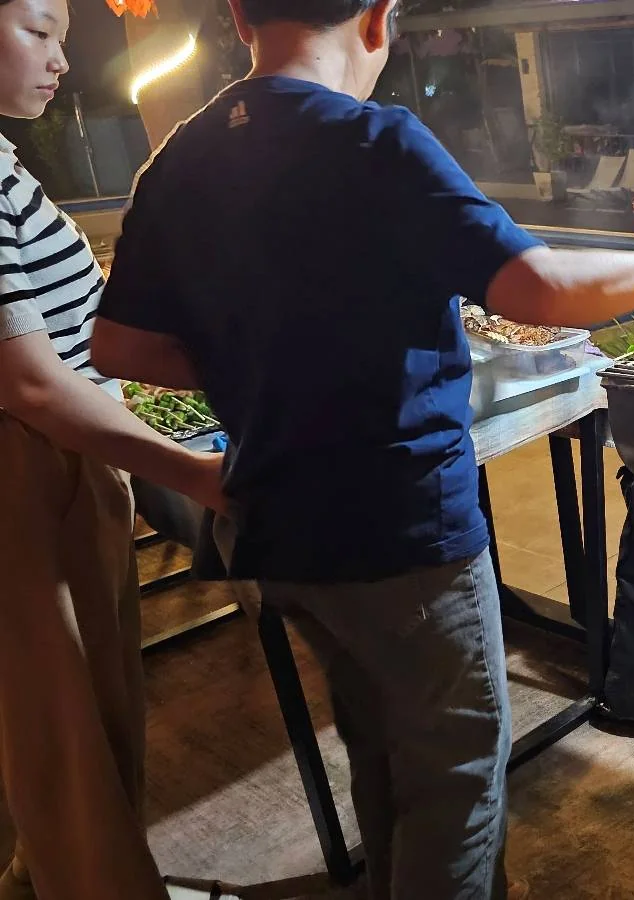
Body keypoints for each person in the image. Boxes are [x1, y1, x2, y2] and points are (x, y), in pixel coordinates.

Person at [89, 0, 634, 893]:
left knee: (378, 757)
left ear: (238, 13)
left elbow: (121, 347)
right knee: (452, 785)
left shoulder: (180, 155)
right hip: (401, 536)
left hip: (279, 533)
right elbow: (534, 285)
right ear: (376, 18)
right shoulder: (375, 141)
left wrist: (261, 370)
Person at [0, 0, 225, 896]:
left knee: (80, 716)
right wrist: (202, 475)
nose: (61, 59)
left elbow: (78, 334)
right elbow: (24, 381)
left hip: (60, 472)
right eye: (38, 31)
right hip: (26, 482)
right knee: (67, 739)